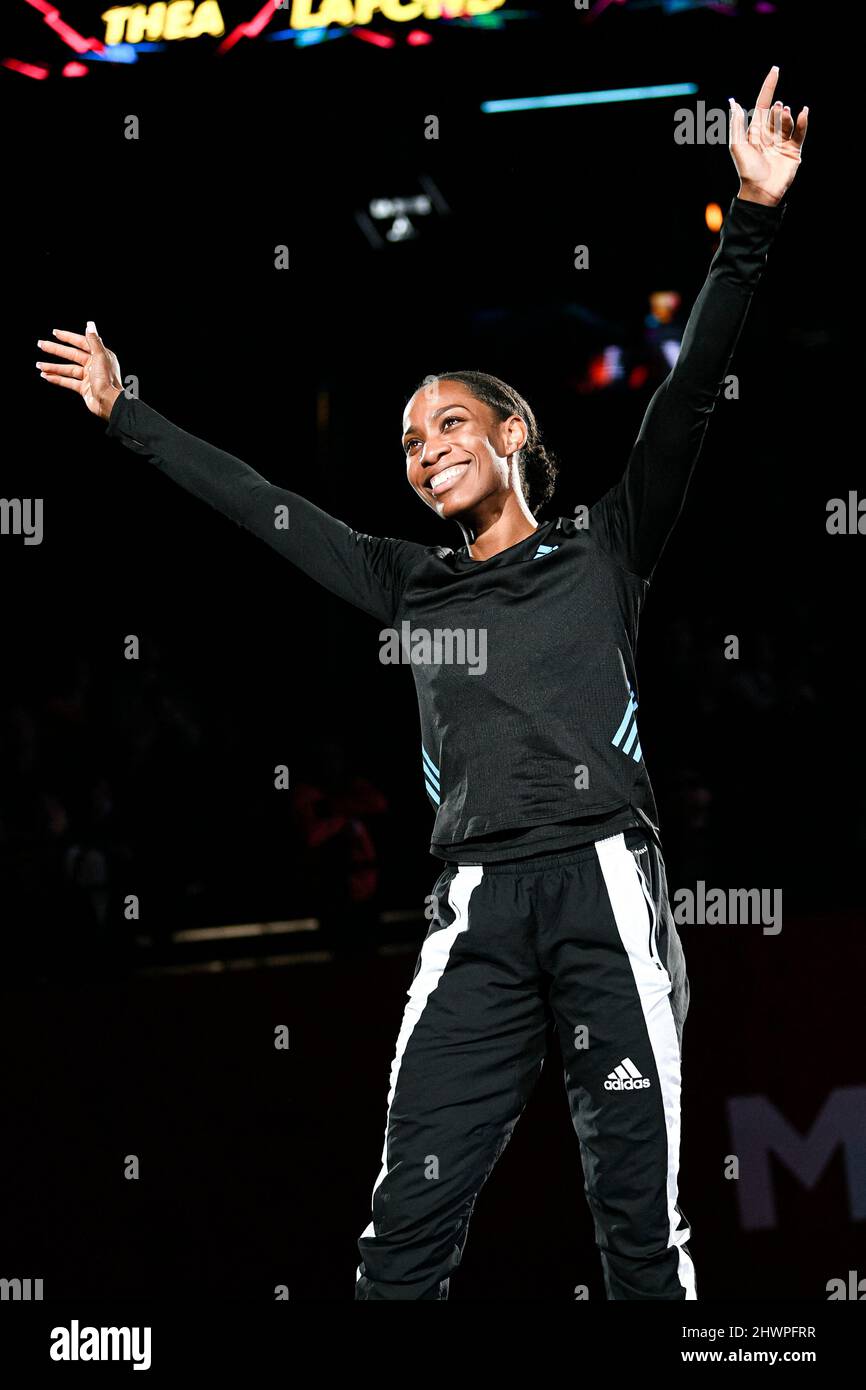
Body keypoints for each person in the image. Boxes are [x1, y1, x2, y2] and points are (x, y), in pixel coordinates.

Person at [35, 67, 807, 1299]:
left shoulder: (605, 545)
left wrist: (753, 217)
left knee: (636, 1233)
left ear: (511, 435)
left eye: (447, 423)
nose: (423, 449)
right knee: (399, 1240)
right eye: (406, 441)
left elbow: (687, 395)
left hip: (604, 880)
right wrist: (131, 413)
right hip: (472, 914)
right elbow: (265, 511)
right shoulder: (407, 583)